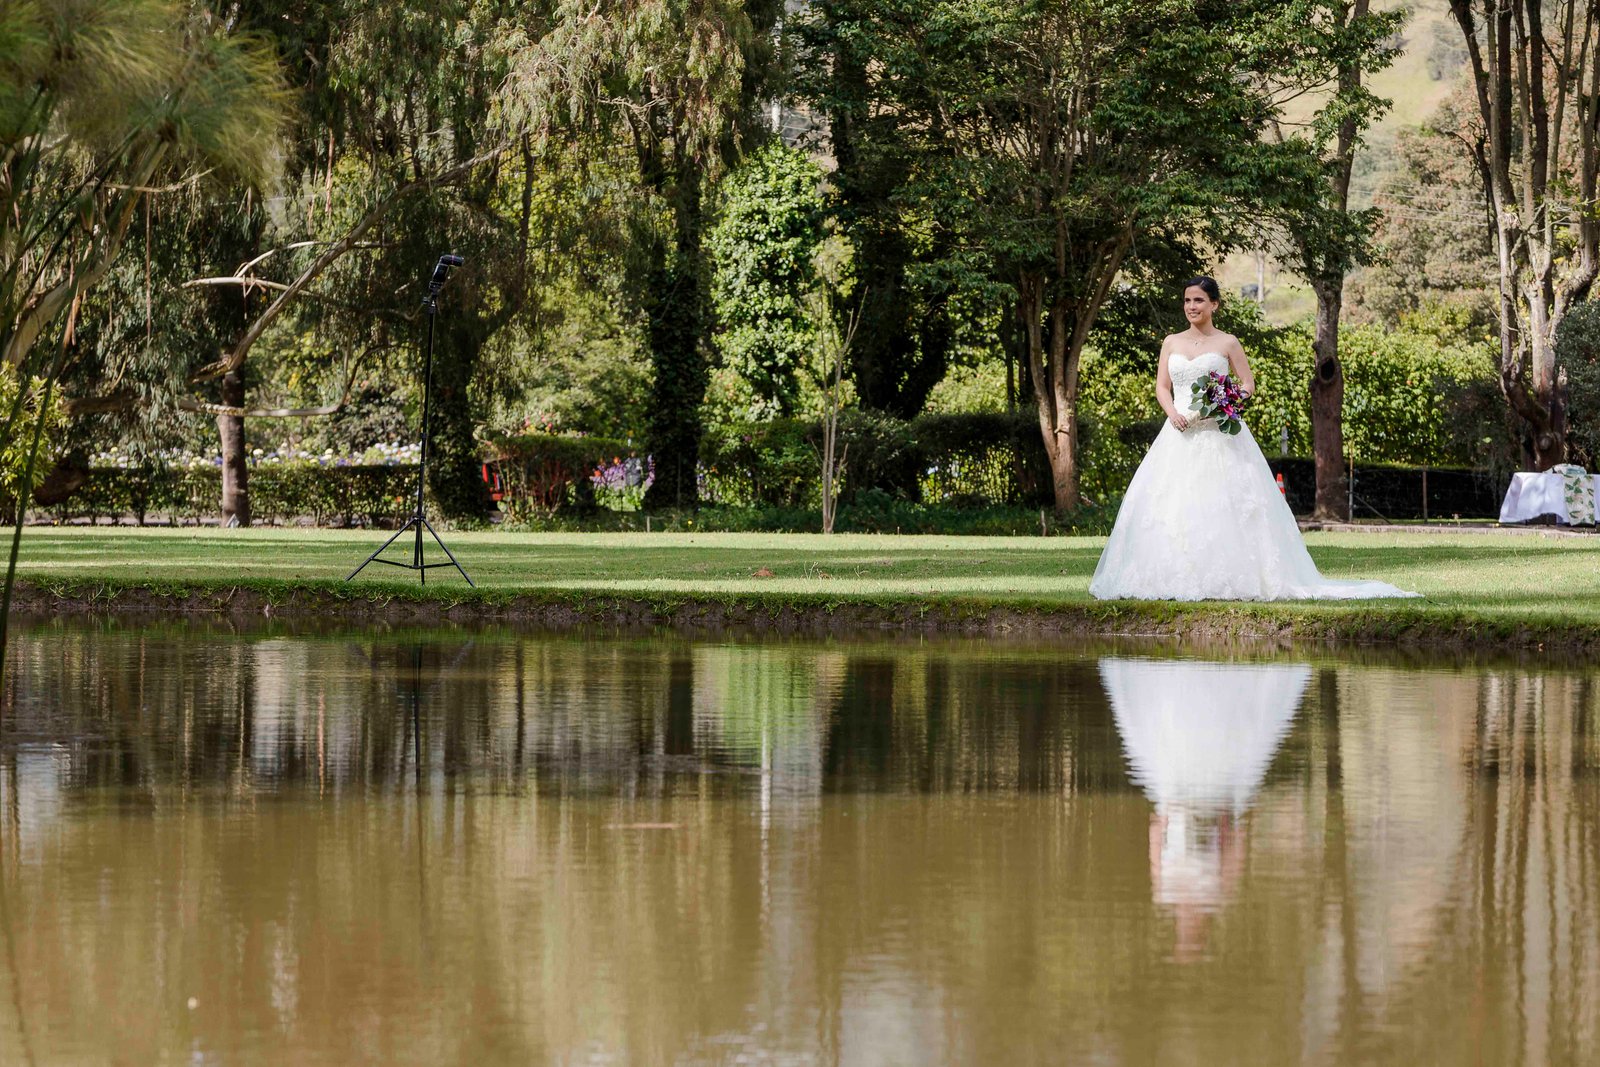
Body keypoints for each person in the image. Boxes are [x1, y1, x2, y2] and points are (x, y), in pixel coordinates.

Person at [1089, 276, 1418, 601]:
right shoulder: (1171, 342)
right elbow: (1162, 386)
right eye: (1188, 300)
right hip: (1178, 433)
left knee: (1227, 504)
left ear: (1214, 304)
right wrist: (1173, 413)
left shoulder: (1228, 342)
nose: (1192, 306)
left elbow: (1247, 384)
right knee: (1171, 504)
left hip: (1220, 431)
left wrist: (1225, 403)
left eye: (1199, 300)